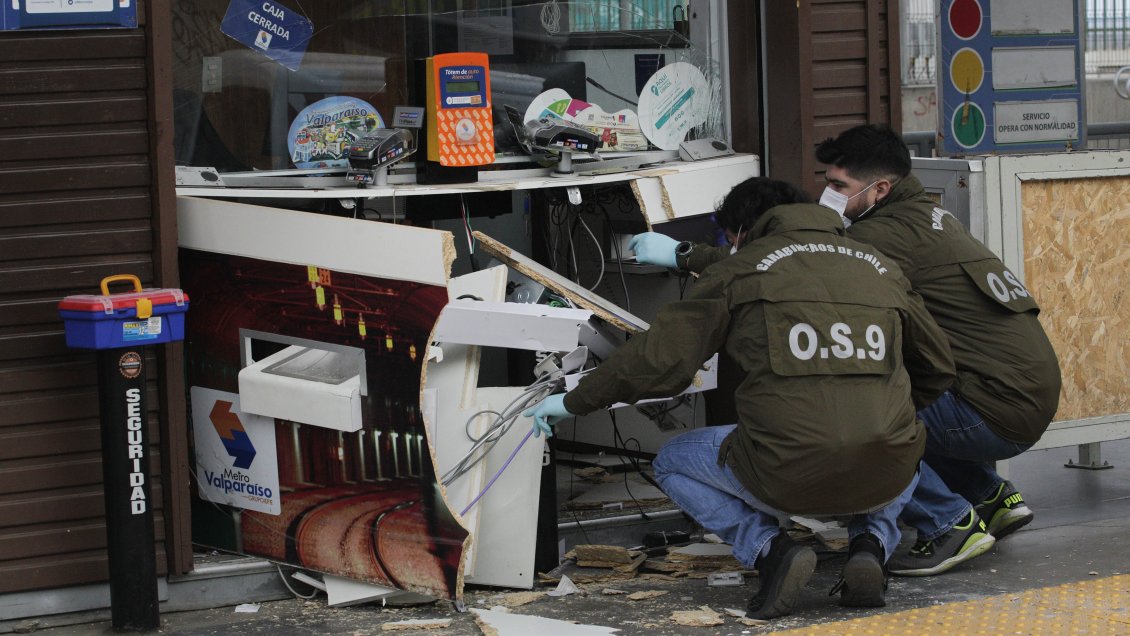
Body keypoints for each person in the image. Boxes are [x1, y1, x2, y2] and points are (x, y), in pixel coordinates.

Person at [526, 177, 956, 618]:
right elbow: (938, 366)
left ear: (742, 234)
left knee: (671, 461)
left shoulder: (741, 268)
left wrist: (573, 402)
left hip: (785, 474)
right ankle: (871, 545)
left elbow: (659, 362)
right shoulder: (881, 267)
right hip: (883, 473)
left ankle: (771, 550)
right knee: (895, 437)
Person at [809, 124, 1062, 576]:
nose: (827, 194)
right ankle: (991, 497)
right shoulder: (930, 215)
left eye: (838, 186)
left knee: (858, 419)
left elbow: (803, 268)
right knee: (909, 391)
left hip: (991, 409)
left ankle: (949, 524)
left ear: (879, 189)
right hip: (1021, 397)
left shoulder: (881, 236)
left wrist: (700, 258)